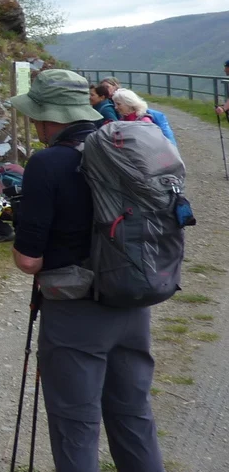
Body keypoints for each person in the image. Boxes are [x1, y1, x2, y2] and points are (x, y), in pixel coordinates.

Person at [10, 69, 164, 472]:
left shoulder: (48, 163)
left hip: (75, 313)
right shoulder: (125, 147)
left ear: (48, 117)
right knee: (133, 417)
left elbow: (29, 260)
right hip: (133, 299)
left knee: (76, 428)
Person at [113, 89, 177, 144]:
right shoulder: (124, 119)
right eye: (115, 104)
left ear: (129, 103)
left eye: (118, 104)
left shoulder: (144, 121)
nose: (116, 107)